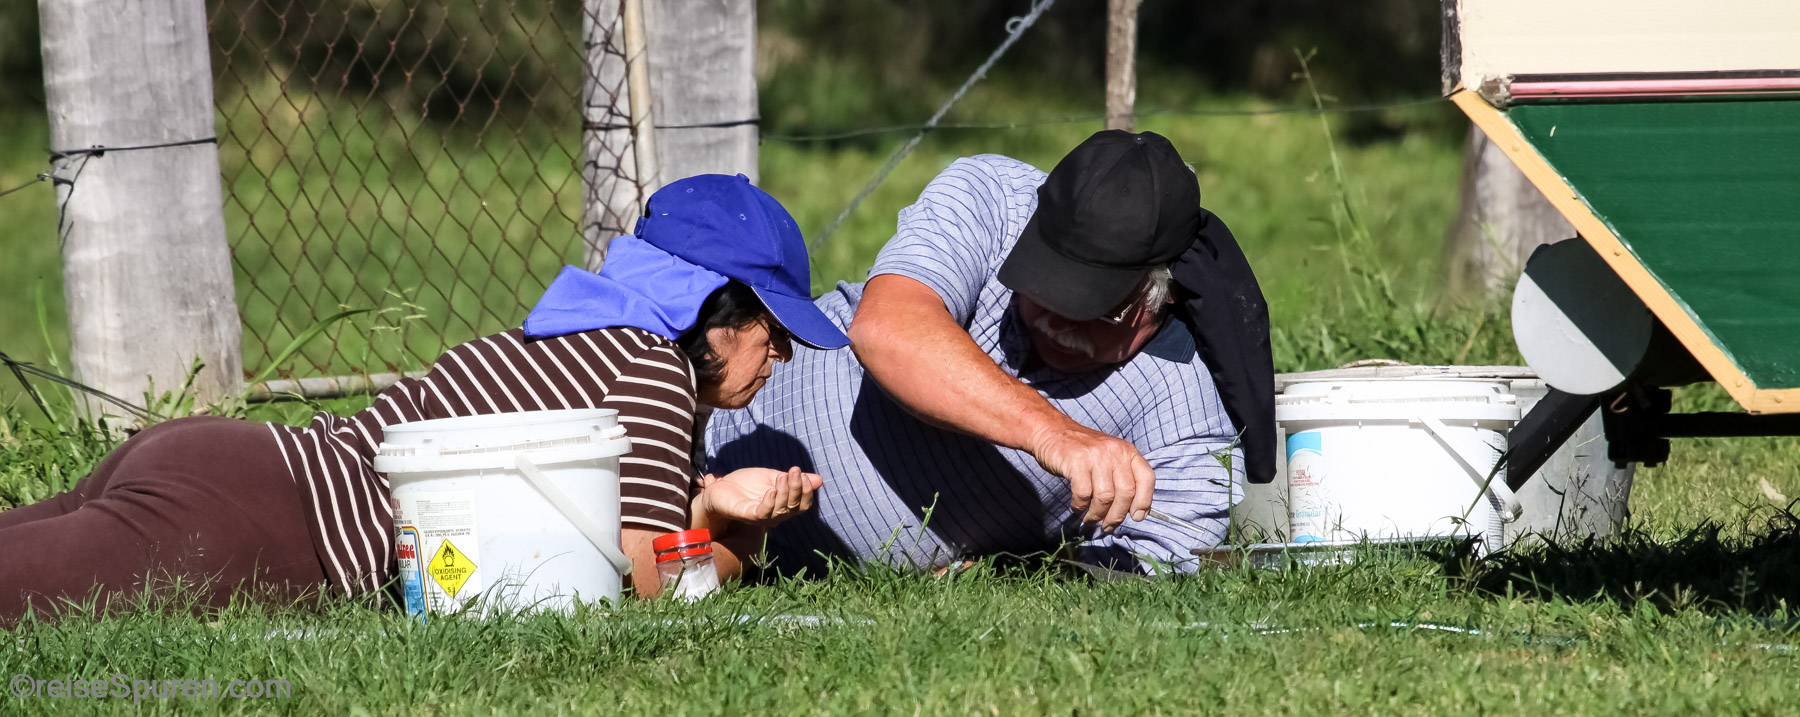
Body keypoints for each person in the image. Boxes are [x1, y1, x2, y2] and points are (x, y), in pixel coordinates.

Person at [0, 173, 845, 622]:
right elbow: (644, 578)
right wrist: (739, 537)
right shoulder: (657, 371)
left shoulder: (577, 332)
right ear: (714, 308)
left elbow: (568, 511)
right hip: (263, 524)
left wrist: (699, 496)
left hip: (233, 461)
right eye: (771, 327)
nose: (777, 356)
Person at [706, 131, 1275, 576]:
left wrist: (1031, 568)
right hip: (695, 413)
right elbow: (886, 329)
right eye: (1040, 286)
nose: (1053, 317)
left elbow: (1157, 561)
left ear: (1157, 298)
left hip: (737, 553)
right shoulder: (992, 197)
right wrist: (1053, 432)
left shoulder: (1185, 412)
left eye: (1088, 308)